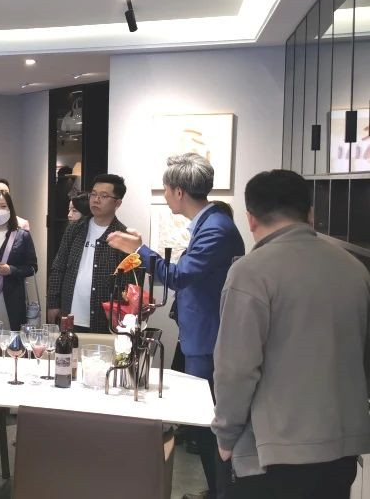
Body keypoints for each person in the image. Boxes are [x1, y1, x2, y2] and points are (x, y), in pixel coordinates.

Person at [212, 170, 370, 498]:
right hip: (341, 448)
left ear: (251, 218)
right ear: (310, 214)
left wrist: (225, 436)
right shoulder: (354, 268)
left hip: (273, 454)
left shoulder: (250, 272)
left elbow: (235, 369)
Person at [107, 153, 245, 499]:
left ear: (180, 191)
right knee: (202, 423)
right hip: (200, 334)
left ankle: (222, 493)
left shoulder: (215, 228)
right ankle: (216, 490)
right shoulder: (210, 223)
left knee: (210, 424)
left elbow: (180, 276)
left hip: (209, 338)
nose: (166, 195)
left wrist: (140, 250)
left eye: (166, 189)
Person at [47, 174, 135, 333]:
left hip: (104, 319)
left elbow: (128, 285)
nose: (96, 200)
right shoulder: (75, 228)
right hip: (70, 314)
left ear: (117, 203)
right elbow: (59, 267)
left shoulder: (123, 237)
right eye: (94, 194)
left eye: (104, 196)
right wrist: (53, 303)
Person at [0, 190, 38, 330]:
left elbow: (32, 267)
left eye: (3, 206)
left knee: (12, 338)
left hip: (13, 300)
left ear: (10, 208)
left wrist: (12, 270)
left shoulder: (22, 236)